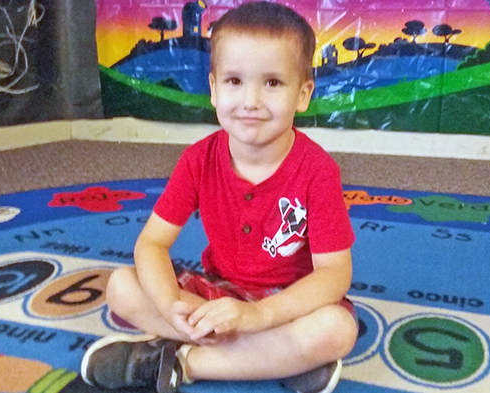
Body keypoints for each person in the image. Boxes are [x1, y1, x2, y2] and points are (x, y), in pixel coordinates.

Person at [80, 2, 357, 393]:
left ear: (303, 94)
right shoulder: (198, 159)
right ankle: (271, 360)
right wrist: (170, 307)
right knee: (121, 286)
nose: (251, 101)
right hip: (214, 293)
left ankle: (184, 362)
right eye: (234, 81)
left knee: (336, 329)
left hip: (283, 307)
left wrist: (257, 316)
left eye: (273, 83)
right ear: (213, 89)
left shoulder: (318, 170)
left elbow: (334, 275)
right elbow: (152, 244)